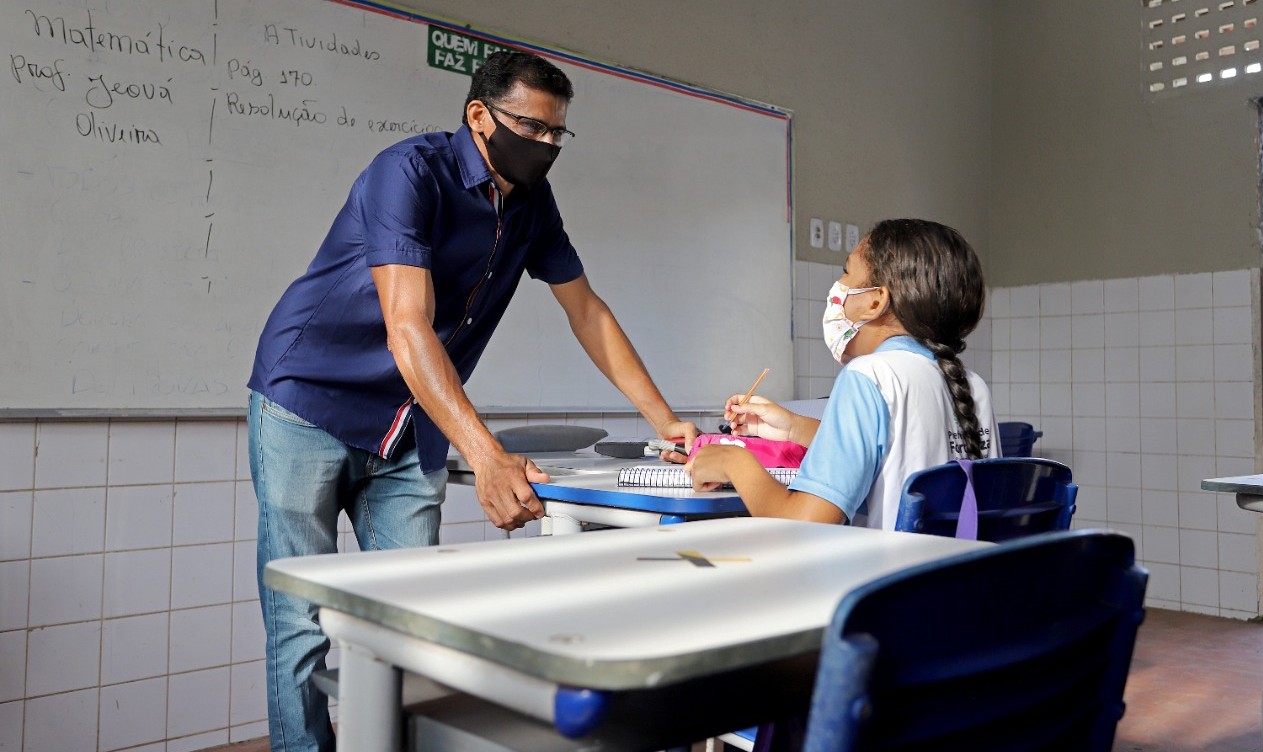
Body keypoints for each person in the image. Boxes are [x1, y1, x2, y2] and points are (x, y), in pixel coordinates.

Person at [246, 51, 697, 752]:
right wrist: (486, 456)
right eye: (532, 128)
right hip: (309, 402)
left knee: (410, 618)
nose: (545, 146)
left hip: (410, 424)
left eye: (557, 135)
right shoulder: (408, 172)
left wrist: (669, 423)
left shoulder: (533, 204)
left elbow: (589, 314)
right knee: (301, 622)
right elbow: (408, 325)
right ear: (479, 116)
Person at [685, 218, 998, 528]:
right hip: (957, 574)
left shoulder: (869, 376)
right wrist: (793, 428)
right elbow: (896, 451)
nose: (839, 288)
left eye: (846, 272)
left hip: (888, 575)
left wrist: (732, 462)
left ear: (876, 301)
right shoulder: (973, 386)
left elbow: (804, 525)